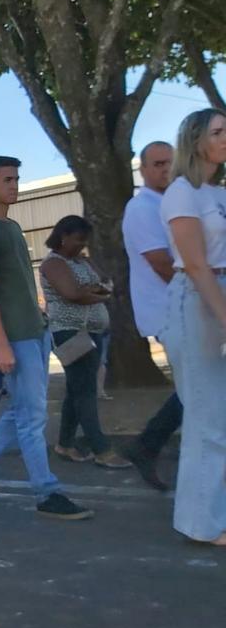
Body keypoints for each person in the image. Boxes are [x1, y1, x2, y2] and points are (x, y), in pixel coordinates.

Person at [0, 156, 92, 520]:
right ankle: (46, 492)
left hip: (35, 332)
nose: (14, 185)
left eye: (17, 179)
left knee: (22, 412)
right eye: (7, 180)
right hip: (15, 338)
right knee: (32, 418)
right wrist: (0, 342)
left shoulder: (12, 228)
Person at [159, 108, 226, 545]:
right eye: (219, 132)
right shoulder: (182, 192)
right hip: (198, 300)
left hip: (217, 293)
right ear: (196, 139)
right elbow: (198, 266)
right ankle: (202, 524)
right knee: (207, 416)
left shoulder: (218, 193)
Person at [38, 215, 130, 469]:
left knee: (76, 390)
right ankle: (102, 449)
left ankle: (65, 444)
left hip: (94, 331)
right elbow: (72, 294)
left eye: (85, 241)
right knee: (86, 392)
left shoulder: (82, 260)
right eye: (78, 240)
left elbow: (107, 284)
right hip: (70, 333)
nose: (82, 245)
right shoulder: (52, 264)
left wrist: (95, 291)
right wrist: (97, 293)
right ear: (63, 236)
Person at [119, 141, 182, 490]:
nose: (165, 169)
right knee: (200, 394)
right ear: (142, 170)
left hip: (188, 310)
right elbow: (163, 264)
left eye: (170, 163)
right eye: (157, 163)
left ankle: (146, 444)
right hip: (170, 313)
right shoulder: (142, 209)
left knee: (198, 393)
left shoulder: (174, 203)